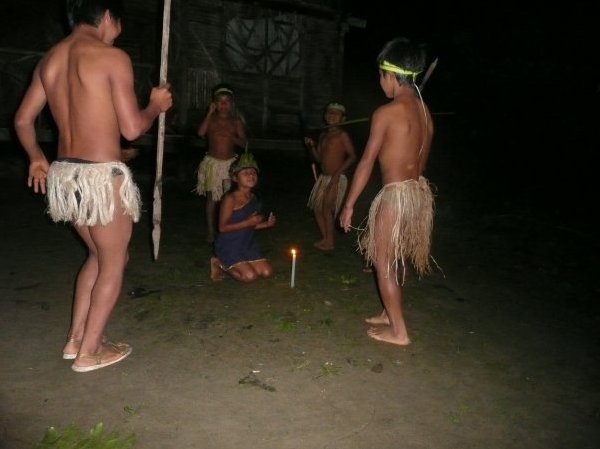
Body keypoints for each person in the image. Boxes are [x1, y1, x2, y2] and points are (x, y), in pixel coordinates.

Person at [13, 0, 173, 372]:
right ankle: (89, 352)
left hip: (67, 176)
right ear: (106, 17)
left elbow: (23, 120)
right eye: (118, 24)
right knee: (115, 260)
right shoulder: (110, 57)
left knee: (97, 257)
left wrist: (36, 156)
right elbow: (132, 128)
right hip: (101, 179)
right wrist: (155, 105)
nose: (118, 32)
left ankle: (75, 340)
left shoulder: (50, 60)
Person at [339, 37, 434, 346]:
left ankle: (399, 331)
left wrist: (349, 204)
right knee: (394, 258)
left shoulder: (387, 112)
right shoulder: (425, 113)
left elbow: (366, 162)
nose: (380, 83)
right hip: (417, 194)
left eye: (381, 76)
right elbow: (420, 159)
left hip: (395, 196)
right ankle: (387, 312)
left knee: (383, 263)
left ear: (390, 75)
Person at [210, 151, 276, 283]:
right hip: (229, 244)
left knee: (267, 272)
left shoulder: (254, 198)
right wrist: (248, 222)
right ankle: (218, 263)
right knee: (249, 277)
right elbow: (222, 228)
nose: (251, 175)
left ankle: (243, 263)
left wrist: (266, 224)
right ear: (235, 178)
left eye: (253, 172)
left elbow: (251, 225)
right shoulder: (230, 198)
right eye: (245, 173)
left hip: (246, 244)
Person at [195, 83, 247, 243]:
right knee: (212, 199)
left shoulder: (235, 121)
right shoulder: (211, 120)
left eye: (227, 101)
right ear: (215, 104)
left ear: (231, 104)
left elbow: (244, 143)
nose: (223, 104)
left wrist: (232, 137)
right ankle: (211, 231)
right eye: (220, 101)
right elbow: (200, 133)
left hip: (230, 165)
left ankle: (227, 229)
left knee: (228, 198)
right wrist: (209, 113)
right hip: (212, 164)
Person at [305, 102, 356, 251]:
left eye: (336, 113)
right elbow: (319, 158)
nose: (331, 115)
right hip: (324, 177)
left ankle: (330, 242)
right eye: (329, 112)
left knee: (327, 208)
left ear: (343, 118)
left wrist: (337, 174)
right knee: (317, 208)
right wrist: (312, 146)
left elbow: (352, 156)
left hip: (337, 177)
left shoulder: (342, 135)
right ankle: (326, 238)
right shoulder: (323, 135)